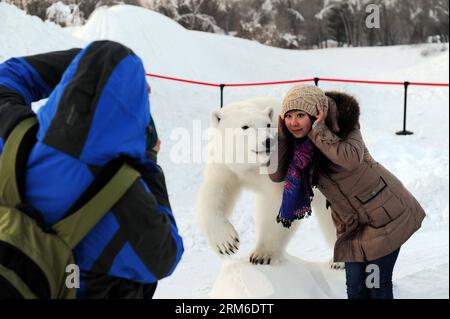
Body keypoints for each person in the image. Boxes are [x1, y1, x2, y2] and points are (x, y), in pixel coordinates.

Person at [0, 40, 183, 298]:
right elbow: (167, 256)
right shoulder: (126, 201)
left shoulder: (13, 136)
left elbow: (8, 76)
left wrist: (86, 65)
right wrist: (149, 164)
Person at [269, 84, 426, 299]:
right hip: (351, 225)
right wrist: (282, 138)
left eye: (300, 115)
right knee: (355, 288)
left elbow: (350, 159)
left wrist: (319, 130)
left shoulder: (346, 128)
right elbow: (275, 174)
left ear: (316, 114)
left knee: (376, 285)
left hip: (385, 217)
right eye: (288, 116)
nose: (293, 122)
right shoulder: (299, 146)